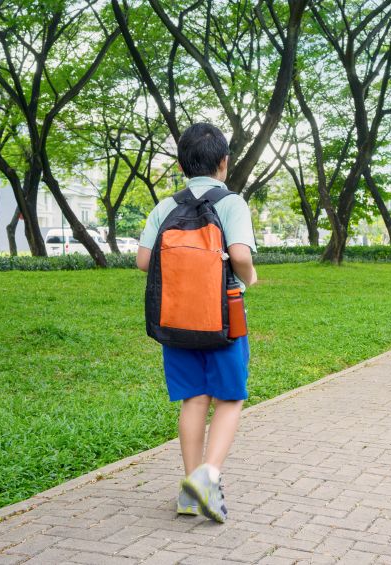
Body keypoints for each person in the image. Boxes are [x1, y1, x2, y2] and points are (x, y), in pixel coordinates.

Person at [136, 123, 257, 523]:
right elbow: (239, 253)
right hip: (224, 316)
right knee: (230, 398)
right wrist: (250, 276)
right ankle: (208, 478)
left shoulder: (164, 206)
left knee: (194, 399)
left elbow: (143, 261)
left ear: (183, 164)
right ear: (223, 162)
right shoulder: (232, 203)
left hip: (176, 318)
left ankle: (190, 488)